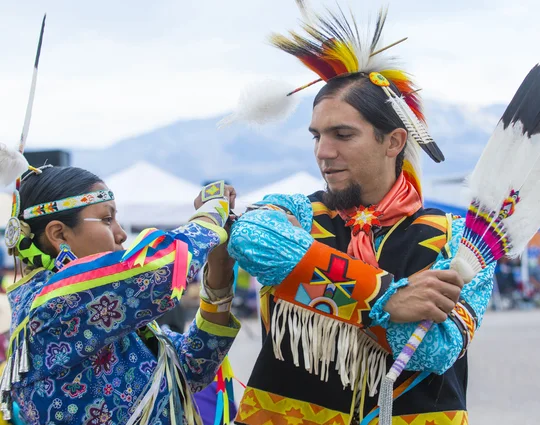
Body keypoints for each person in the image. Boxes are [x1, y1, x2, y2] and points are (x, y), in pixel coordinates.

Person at [225, 4, 495, 424]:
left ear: (393, 142)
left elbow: (439, 348)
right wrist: (384, 298)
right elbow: (249, 237)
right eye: (317, 135)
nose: (322, 151)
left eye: (342, 135)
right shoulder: (297, 212)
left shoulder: (457, 238)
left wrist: (338, 288)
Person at [0, 166, 240, 424]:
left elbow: (192, 367)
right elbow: (162, 269)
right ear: (59, 235)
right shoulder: (53, 304)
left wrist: (220, 269)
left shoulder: (99, 311)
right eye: (106, 219)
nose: (121, 234)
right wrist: (210, 213)